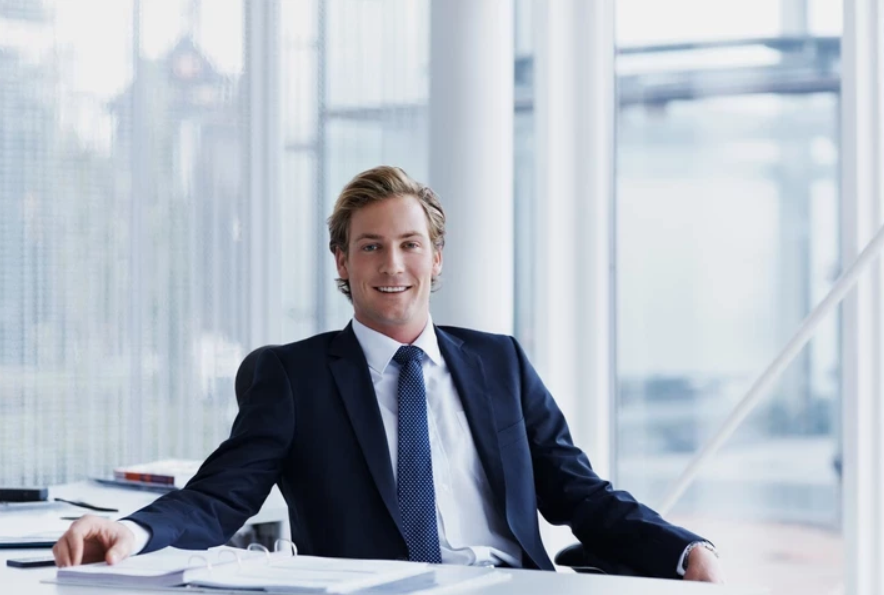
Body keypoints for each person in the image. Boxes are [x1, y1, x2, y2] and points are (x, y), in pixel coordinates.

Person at [53, 166, 724, 582]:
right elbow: (220, 496)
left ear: (437, 258)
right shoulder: (296, 377)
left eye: (409, 244)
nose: (391, 264)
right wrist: (134, 530)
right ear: (341, 262)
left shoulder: (500, 363)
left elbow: (580, 493)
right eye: (369, 246)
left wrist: (681, 550)